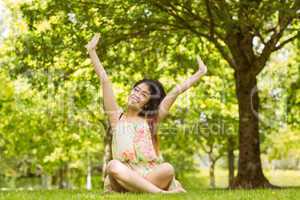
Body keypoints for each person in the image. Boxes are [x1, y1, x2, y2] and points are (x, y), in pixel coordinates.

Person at [85, 33, 207, 194]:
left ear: (148, 103)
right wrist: (92, 51)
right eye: (136, 90)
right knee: (112, 166)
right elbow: (105, 81)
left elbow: (174, 92)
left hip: (149, 174)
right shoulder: (116, 117)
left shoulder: (151, 120)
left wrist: (199, 73)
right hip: (122, 177)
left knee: (167, 168)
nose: (137, 94)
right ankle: (161, 194)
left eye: (143, 95)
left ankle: (138, 189)